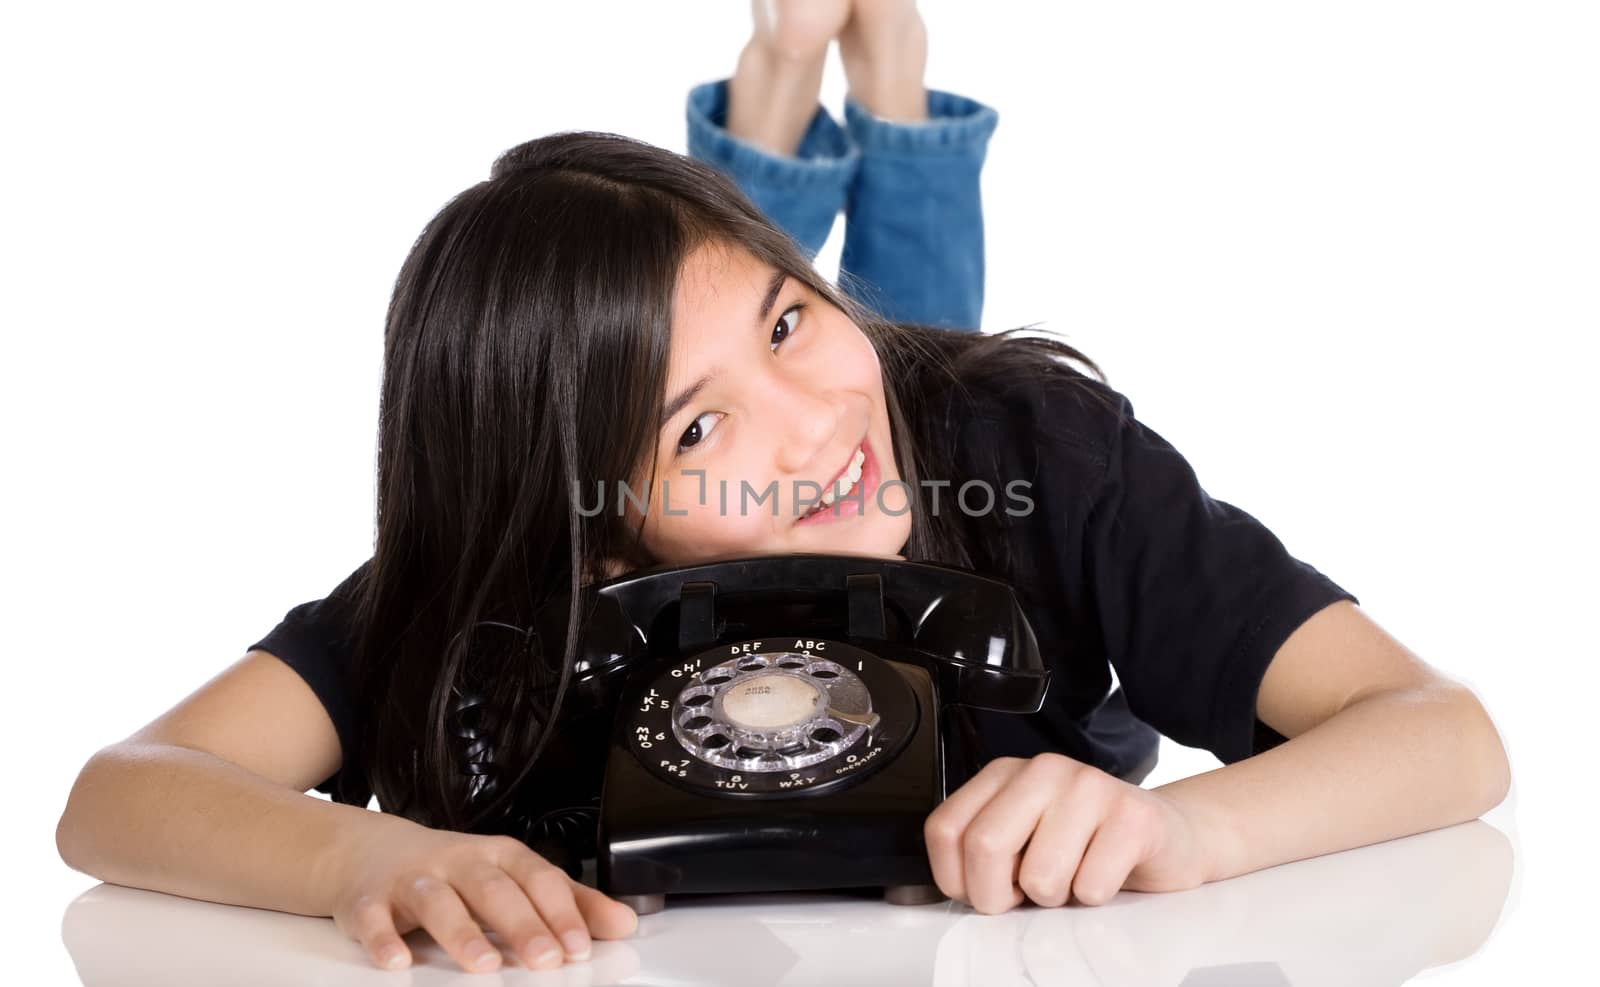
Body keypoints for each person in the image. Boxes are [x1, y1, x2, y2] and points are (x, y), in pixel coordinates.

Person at [54, 0, 1511, 977]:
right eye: (692, 433)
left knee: (925, 369)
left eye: (789, 312)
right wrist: (353, 857)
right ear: (589, 523)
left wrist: (1195, 827)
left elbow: (1448, 738)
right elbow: (118, 798)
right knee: (841, 395)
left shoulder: (1036, 455)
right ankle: (811, 126)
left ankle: (845, 98)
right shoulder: (517, 574)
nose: (812, 421)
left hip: (960, 422)